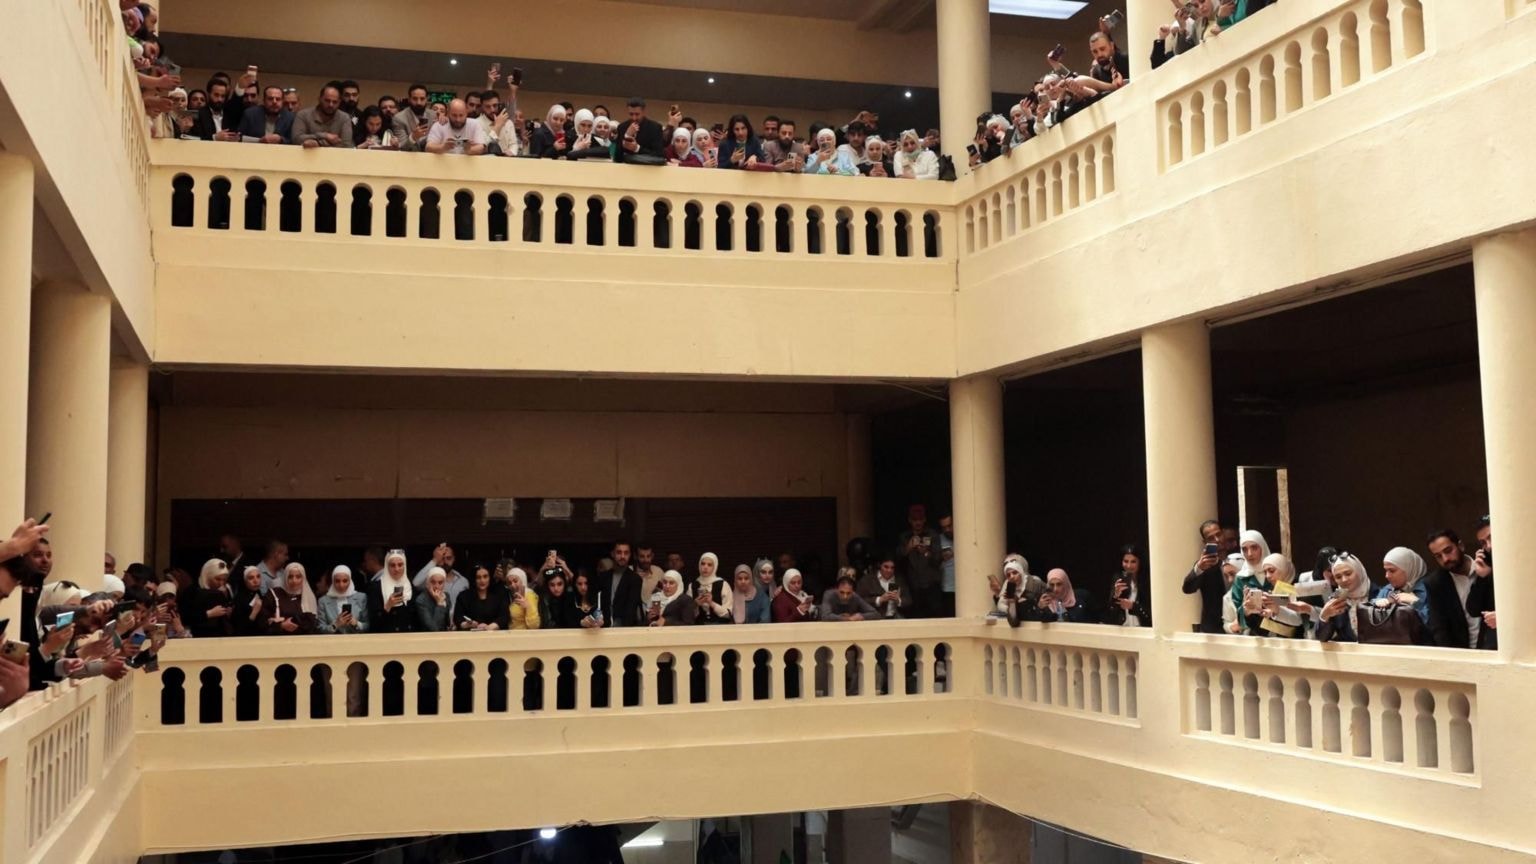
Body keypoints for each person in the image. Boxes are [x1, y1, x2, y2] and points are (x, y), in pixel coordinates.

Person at [1424, 530, 1492, 649]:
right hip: (1460, 651)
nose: (1445, 559)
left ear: (1460, 546)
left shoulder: (1485, 568)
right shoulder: (1436, 583)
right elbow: (1439, 627)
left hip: (1492, 647)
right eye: (1438, 556)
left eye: (1448, 551)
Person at [898, 504, 943, 618]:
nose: (917, 523)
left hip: (931, 585)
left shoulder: (932, 535)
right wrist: (908, 548)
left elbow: (938, 559)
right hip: (912, 586)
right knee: (915, 617)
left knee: (935, 617)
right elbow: (897, 560)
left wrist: (926, 552)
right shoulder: (905, 537)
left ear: (924, 520)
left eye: (920, 519)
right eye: (914, 520)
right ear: (910, 520)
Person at [1224, 530, 1271, 635]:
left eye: (1254, 548)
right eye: (1244, 549)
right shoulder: (1241, 578)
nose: (1249, 554)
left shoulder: (1275, 571)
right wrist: (1245, 610)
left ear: (1262, 547)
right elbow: (1237, 611)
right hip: (1253, 634)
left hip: (1279, 634)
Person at [1376, 547, 1430, 625]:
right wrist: (1377, 603)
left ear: (1408, 569)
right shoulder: (1388, 590)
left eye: (1392, 571)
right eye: (1386, 570)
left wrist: (1415, 602)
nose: (1387, 576)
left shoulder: (1429, 589)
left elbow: (1433, 624)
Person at [292, 84, 354, 149]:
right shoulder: (303, 115)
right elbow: (296, 139)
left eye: (335, 102)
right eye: (327, 101)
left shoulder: (345, 118)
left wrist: (318, 143)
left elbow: (346, 145)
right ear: (319, 99)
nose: (331, 105)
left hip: (335, 155)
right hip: (308, 155)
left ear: (339, 102)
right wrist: (324, 135)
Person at [1103, 545, 1151, 627]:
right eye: (1125, 561)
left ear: (1140, 562)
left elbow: (1152, 613)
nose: (1128, 566)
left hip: (1143, 628)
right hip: (1123, 628)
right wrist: (1115, 595)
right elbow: (1110, 614)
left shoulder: (1147, 580)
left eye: (1133, 562)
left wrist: (1133, 606)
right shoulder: (1118, 578)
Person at [264, 563, 318, 635]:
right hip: (278, 638)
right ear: (285, 577)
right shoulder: (273, 595)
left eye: (298, 577)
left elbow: (312, 624)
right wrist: (281, 625)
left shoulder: (308, 596)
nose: (294, 580)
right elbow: (263, 622)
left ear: (303, 578)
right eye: (290, 577)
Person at [598, 541, 642, 627]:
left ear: (630, 555)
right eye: (619, 552)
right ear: (612, 554)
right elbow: (600, 604)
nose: (622, 556)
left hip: (624, 628)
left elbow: (631, 610)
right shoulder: (604, 577)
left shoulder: (635, 579)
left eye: (626, 553)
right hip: (603, 626)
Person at [187, 558, 234, 638]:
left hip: (221, 637)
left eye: (224, 580)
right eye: (218, 579)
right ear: (208, 576)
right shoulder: (193, 591)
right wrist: (209, 614)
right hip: (200, 637)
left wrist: (229, 614)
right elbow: (186, 617)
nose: (221, 583)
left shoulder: (225, 590)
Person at [370, 549, 414, 633]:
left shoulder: (410, 586)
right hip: (386, 636)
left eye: (400, 565)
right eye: (392, 565)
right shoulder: (376, 587)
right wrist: (388, 606)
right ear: (387, 567)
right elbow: (373, 623)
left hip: (408, 637)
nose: (397, 569)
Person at [612, 97, 667, 164]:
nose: (634, 118)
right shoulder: (622, 127)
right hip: (627, 167)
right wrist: (626, 136)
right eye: (631, 114)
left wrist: (637, 148)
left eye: (637, 114)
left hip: (648, 167)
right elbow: (617, 158)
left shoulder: (655, 128)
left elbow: (659, 155)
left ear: (643, 112)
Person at [455, 565, 509, 630]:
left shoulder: (499, 594)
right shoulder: (463, 596)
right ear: (474, 579)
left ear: (490, 577)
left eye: (485, 576)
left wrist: (489, 627)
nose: (482, 580)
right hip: (470, 633)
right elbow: (458, 618)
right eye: (478, 577)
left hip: (494, 633)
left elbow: (504, 617)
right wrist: (468, 624)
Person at [317, 565, 369, 633]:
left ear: (350, 580)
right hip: (333, 639)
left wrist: (356, 623)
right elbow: (320, 628)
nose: (341, 585)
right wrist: (336, 625)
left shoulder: (361, 598)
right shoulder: (323, 601)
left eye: (345, 581)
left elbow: (367, 625)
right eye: (337, 581)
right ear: (332, 581)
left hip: (355, 639)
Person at [1032, 569, 1097, 623]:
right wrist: (1040, 609)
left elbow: (1097, 617)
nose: (1055, 589)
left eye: (1059, 584)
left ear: (1066, 584)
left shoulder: (1082, 596)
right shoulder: (1047, 601)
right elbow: (1044, 622)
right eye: (1052, 585)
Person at [392, 84, 435, 151]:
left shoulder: (433, 115)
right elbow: (402, 148)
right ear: (409, 99)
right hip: (409, 156)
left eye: (422, 99)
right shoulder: (399, 118)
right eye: (415, 99)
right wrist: (413, 137)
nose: (419, 103)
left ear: (426, 99)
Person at [693, 553, 733, 624]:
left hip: (720, 626)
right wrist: (695, 604)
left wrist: (711, 603)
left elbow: (728, 614)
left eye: (709, 565)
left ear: (715, 567)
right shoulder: (692, 585)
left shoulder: (723, 584)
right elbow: (687, 616)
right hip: (698, 626)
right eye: (703, 564)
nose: (705, 567)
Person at [229, 566, 269, 637]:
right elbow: (239, 628)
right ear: (245, 581)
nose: (256, 581)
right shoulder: (239, 599)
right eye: (251, 578)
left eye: (258, 576)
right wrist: (254, 612)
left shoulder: (260, 594)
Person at [413, 567, 452, 632]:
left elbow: (447, 623)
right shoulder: (421, 600)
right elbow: (434, 629)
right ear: (428, 582)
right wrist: (440, 603)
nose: (436, 586)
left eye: (440, 583)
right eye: (433, 582)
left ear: (444, 583)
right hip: (427, 636)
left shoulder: (446, 596)